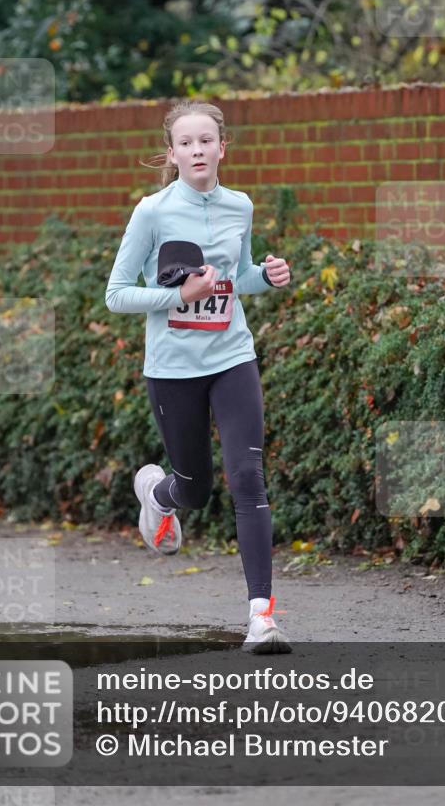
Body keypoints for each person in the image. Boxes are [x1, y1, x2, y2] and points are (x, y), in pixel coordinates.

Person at [105, 100, 292, 653]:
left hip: (233, 358)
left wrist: (267, 277)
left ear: (222, 146)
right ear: (172, 152)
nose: (197, 150)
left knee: (248, 478)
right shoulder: (153, 212)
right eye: (186, 143)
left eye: (206, 140)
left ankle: (261, 618)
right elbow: (116, 295)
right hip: (173, 369)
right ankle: (158, 493)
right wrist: (178, 295)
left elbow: (238, 279)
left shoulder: (240, 206)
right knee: (197, 488)